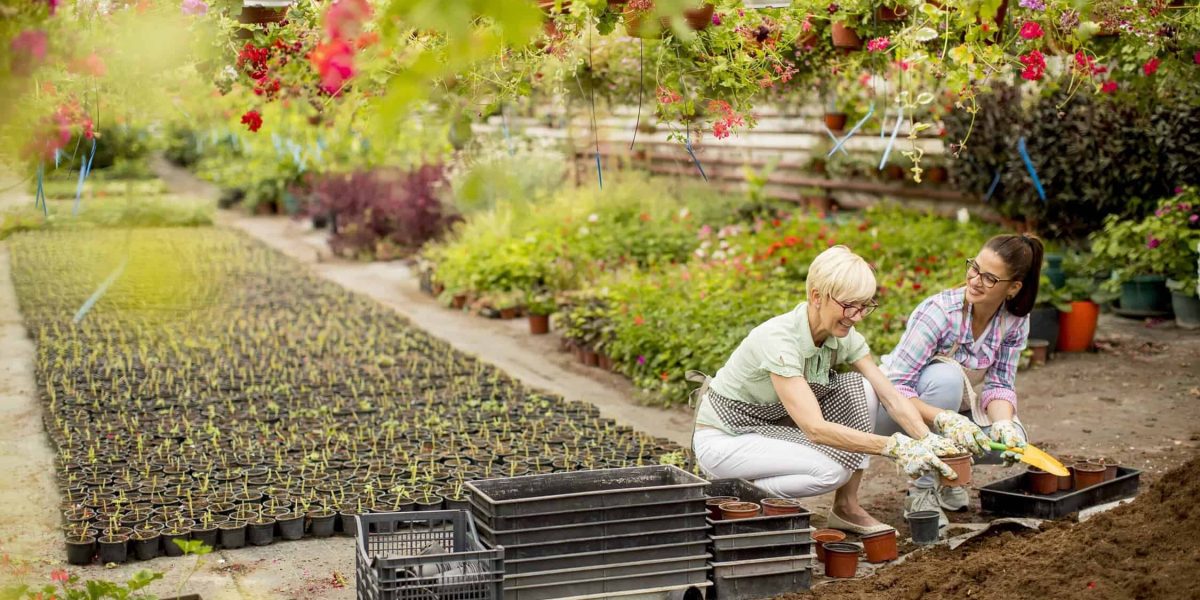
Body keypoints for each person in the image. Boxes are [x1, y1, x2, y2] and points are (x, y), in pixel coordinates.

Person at [690, 245, 964, 535]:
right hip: (725, 438)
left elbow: (890, 395)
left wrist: (928, 440)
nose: (857, 316)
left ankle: (847, 508)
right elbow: (814, 429)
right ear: (817, 297)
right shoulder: (779, 340)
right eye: (849, 305)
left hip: (769, 430)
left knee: (863, 388)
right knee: (830, 471)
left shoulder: (842, 336)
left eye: (864, 306)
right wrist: (893, 446)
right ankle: (739, 499)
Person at [875, 234, 1044, 526]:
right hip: (890, 413)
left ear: (1013, 288)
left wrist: (1003, 424)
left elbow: (1000, 385)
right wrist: (946, 420)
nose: (975, 280)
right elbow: (896, 388)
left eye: (989, 278)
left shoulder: (1014, 320)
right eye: (974, 267)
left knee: (1013, 441)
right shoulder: (940, 313)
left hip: (944, 410)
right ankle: (922, 491)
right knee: (947, 378)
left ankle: (947, 477)